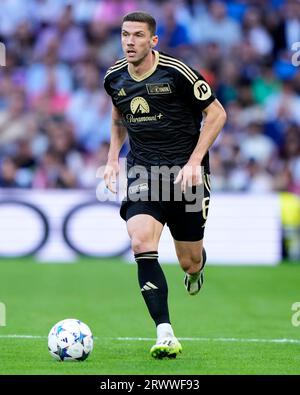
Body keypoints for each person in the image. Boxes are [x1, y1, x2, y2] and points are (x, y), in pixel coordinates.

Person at [103, 11, 226, 359]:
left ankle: (198, 268)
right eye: (125, 34)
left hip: (187, 177)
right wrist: (113, 158)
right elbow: (117, 117)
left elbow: (216, 114)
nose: (130, 41)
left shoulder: (177, 72)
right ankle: (165, 332)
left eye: (138, 35)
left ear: (153, 40)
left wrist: (193, 161)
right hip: (143, 174)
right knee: (140, 241)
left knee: (189, 261)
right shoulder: (114, 78)